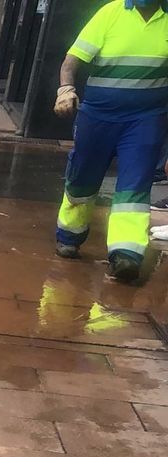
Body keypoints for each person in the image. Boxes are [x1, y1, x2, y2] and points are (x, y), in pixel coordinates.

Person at [53, 0, 168, 282]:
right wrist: (65, 89)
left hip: (146, 118)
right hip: (98, 116)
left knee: (135, 183)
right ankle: (70, 235)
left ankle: (126, 253)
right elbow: (71, 62)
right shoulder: (111, 13)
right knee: (83, 179)